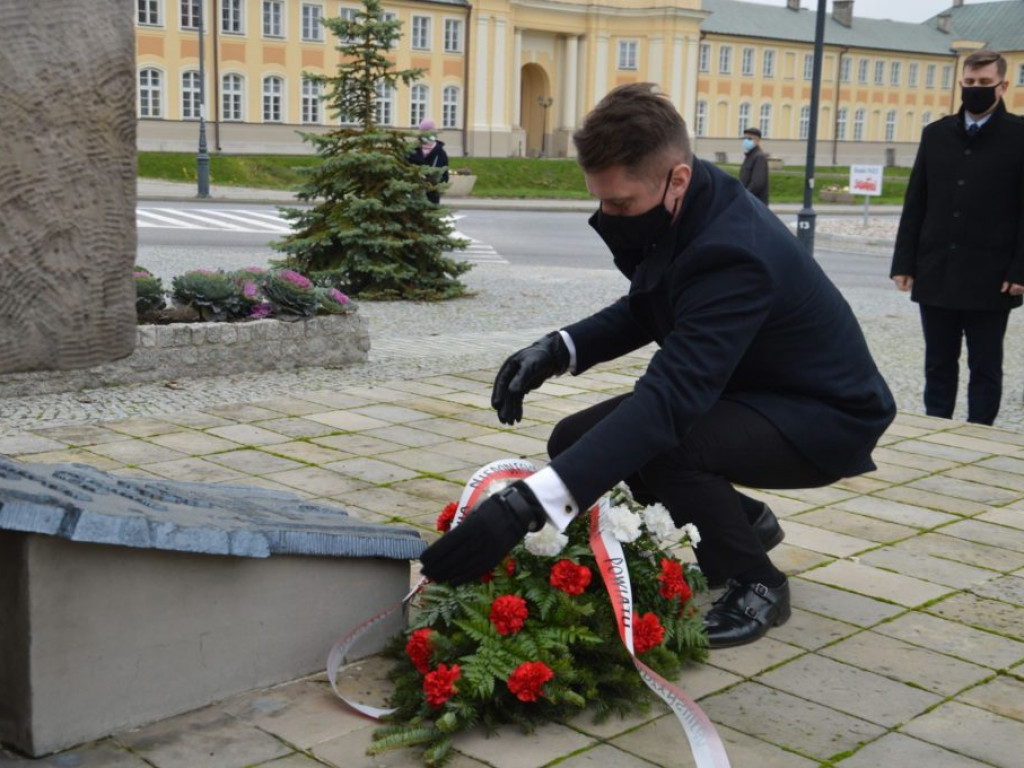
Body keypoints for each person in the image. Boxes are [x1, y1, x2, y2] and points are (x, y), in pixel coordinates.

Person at [420, 83, 895, 649]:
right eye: (600, 201)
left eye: (622, 204)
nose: (608, 216)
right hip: (756, 389)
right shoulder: (695, 204)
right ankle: (743, 523)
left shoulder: (732, 253)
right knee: (575, 439)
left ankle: (757, 582)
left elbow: (668, 403)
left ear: (677, 178)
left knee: (666, 445)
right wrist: (558, 348)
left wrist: (526, 506)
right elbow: (654, 303)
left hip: (823, 415)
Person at [891, 49, 1024, 426]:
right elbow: (916, 202)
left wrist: (1020, 269)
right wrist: (904, 262)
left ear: (1003, 86)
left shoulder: (1019, 136)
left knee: (986, 365)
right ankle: (936, 427)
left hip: (992, 274)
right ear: (960, 82)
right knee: (937, 362)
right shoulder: (936, 134)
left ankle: (980, 432)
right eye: (969, 82)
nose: (975, 88)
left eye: (984, 82)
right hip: (938, 269)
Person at [407, 118, 449, 205]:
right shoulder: (412, 150)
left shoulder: (440, 152)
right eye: (425, 132)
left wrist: (434, 182)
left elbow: (444, 175)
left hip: (432, 196)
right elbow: (405, 169)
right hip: (415, 195)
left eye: (430, 132)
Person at [738, 126, 769, 204]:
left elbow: (757, 183)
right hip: (749, 201)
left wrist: (744, 195)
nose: (746, 141)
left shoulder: (759, 157)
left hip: (755, 202)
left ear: (758, 141)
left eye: (749, 139)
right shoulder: (749, 156)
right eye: (744, 138)